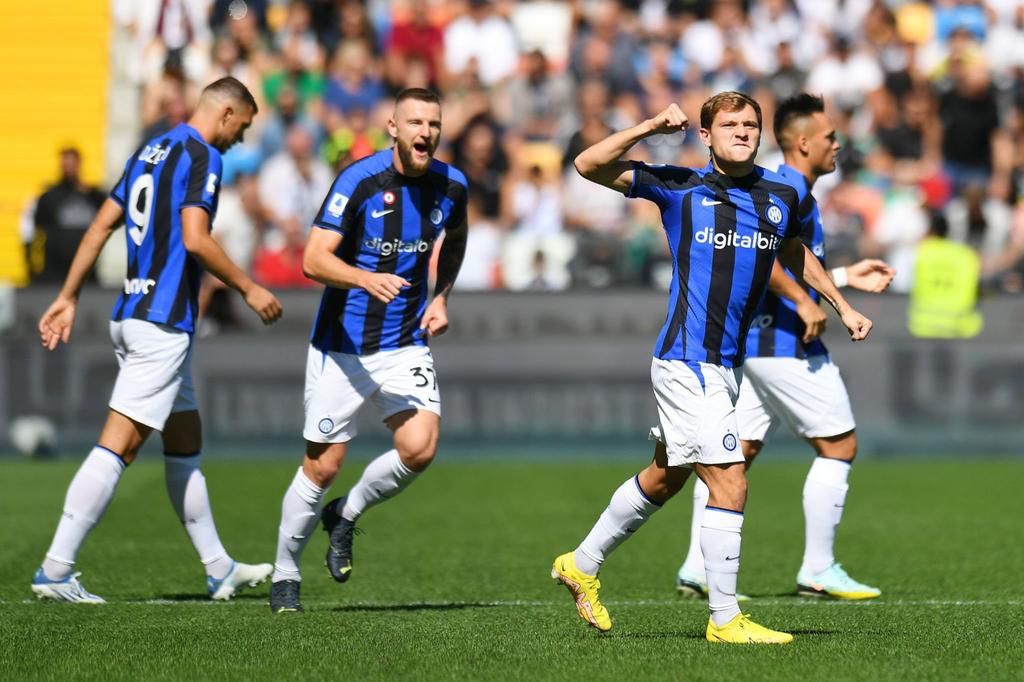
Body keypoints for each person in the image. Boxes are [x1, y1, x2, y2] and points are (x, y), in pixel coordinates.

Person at [551, 91, 874, 644]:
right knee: (730, 481)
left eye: (751, 124)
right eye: (730, 124)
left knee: (665, 476)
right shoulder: (679, 186)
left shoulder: (781, 192)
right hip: (685, 359)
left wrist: (840, 304)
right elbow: (588, 165)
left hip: (726, 365)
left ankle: (581, 563)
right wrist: (650, 124)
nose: (742, 131)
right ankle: (726, 619)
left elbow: (793, 251)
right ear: (707, 134)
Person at [32, 77, 283, 604]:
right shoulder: (202, 156)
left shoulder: (150, 149)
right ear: (229, 112)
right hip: (162, 324)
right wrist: (249, 286)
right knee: (117, 446)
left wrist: (69, 295)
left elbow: (101, 226)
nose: (240, 138)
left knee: (184, 442)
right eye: (243, 125)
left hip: (132, 313)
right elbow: (195, 239)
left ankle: (219, 569)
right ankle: (56, 569)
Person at [674, 93, 894, 602]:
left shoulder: (793, 190)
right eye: (830, 137)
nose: (838, 144)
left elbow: (787, 263)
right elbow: (764, 258)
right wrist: (810, 301)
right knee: (839, 444)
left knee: (735, 455)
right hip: (781, 341)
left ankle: (695, 569)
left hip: (752, 344)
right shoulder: (786, 186)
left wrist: (841, 277)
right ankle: (819, 568)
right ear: (803, 143)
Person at [269, 88, 468, 614]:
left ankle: (347, 515)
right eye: (415, 122)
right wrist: (363, 278)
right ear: (393, 128)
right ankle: (285, 572)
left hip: (404, 341)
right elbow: (313, 259)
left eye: (434, 123)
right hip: (344, 346)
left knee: (420, 446)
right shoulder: (358, 181)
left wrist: (441, 295)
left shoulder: (452, 185)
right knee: (322, 467)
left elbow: (458, 238)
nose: (425, 132)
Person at [28, 148, 107, 283]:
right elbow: (33, 232)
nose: (69, 168)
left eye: (72, 164)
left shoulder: (94, 197)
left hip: (87, 272)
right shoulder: (49, 197)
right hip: (54, 274)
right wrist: (32, 270)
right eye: (66, 164)